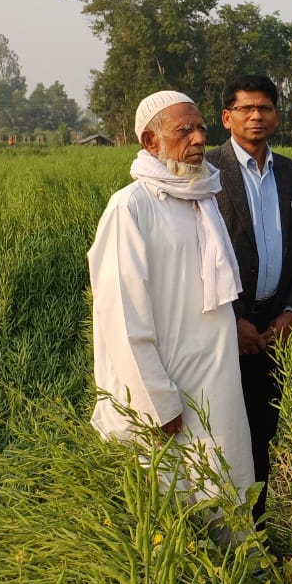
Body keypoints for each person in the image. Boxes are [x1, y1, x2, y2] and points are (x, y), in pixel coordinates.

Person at [89, 90, 254, 507]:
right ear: (150, 142)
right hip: (166, 391)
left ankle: (233, 571)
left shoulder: (202, 197)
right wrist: (156, 400)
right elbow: (122, 318)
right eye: (185, 130)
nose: (199, 139)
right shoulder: (131, 207)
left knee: (226, 488)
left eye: (201, 128)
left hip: (216, 382)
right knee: (169, 506)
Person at [206, 74, 292, 524]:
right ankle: (218, 528)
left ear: (276, 116)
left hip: (274, 327)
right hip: (221, 324)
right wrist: (233, 320)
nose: (256, 116)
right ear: (227, 117)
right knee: (218, 431)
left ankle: (257, 526)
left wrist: (291, 309)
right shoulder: (207, 170)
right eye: (245, 109)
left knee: (263, 429)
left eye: (264, 108)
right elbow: (197, 254)